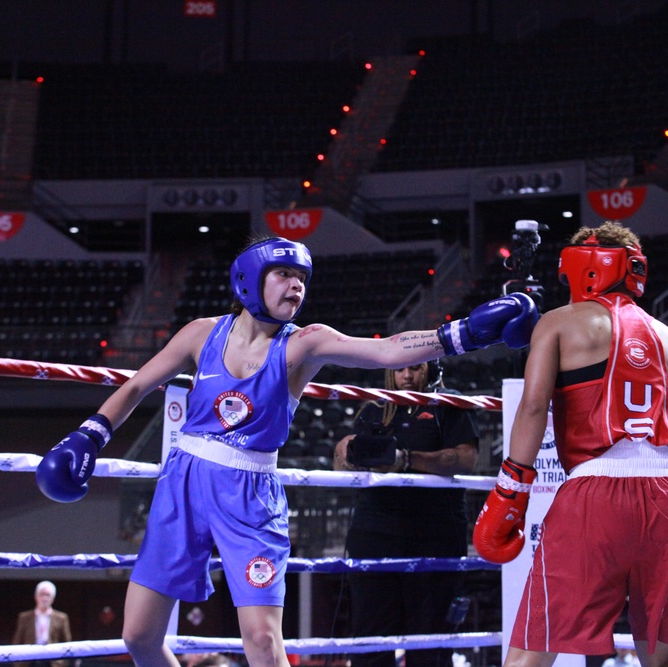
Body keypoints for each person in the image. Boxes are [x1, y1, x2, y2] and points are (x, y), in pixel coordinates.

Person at [35, 236, 539, 667]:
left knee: (262, 639)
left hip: (250, 495)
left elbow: (385, 350)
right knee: (139, 636)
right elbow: (137, 385)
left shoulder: (304, 345)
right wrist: (91, 433)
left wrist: (463, 334)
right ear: (250, 279)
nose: (296, 285)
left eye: (302, 276)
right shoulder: (200, 334)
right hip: (183, 484)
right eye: (283, 274)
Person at [472, 221, 668, 667]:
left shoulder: (559, 323)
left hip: (596, 495)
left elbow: (533, 408)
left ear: (581, 267)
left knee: (528, 657)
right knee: (663, 659)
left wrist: (510, 490)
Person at [333, 359, 479, 667]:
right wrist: (346, 452)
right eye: (400, 369)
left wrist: (406, 459)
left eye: (415, 368)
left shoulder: (448, 402)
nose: (407, 376)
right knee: (371, 634)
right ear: (390, 370)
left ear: (432, 369)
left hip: (434, 530)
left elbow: (466, 459)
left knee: (429, 637)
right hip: (375, 528)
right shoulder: (376, 406)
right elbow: (341, 461)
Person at [11, 580, 72, 667]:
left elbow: (67, 642)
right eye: (42, 594)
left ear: (52, 599)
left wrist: (63, 663)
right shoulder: (24, 617)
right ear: (36, 597)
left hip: (52, 661)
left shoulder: (62, 618)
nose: (44, 598)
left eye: (48, 595)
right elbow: (17, 641)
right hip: (30, 661)